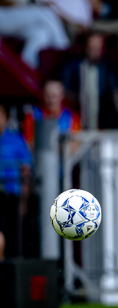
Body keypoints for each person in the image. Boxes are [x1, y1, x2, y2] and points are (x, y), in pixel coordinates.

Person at [63, 32, 118, 129]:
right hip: (79, 114)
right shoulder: (73, 66)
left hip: (103, 116)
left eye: (97, 48)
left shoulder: (107, 67)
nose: (94, 51)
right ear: (86, 47)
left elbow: (115, 91)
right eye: (91, 48)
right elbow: (66, 90)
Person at [0, 103, 34, 261]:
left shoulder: (16, 140)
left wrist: (24, 199)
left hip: (11, 195)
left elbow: (25, 169)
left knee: (13, 234)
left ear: (6, 118)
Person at [23, 79, 81, 147]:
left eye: (54, 96)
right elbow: (28, 143)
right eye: (48, 96)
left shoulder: (72, 118)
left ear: (62, 96)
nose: (51, 101)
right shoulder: (32, 116)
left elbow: (77, 144)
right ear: (43, 95)